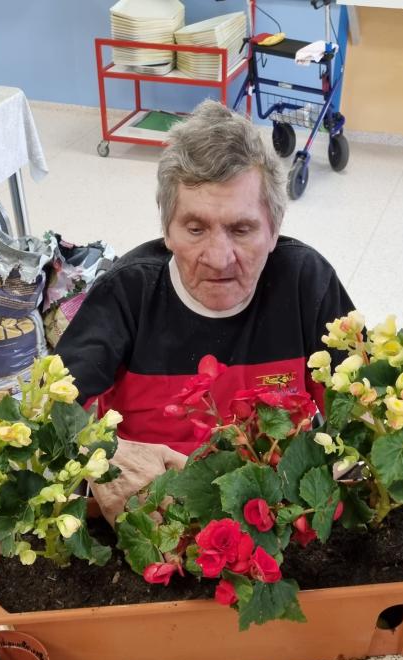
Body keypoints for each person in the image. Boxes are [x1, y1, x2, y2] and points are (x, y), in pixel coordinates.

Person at [57, 100, 353, 524]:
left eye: (241, 229)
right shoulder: (126, 293)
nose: (218, 258)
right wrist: (103, 453)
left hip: (277, 519)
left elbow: (362, 416)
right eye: (195, 229)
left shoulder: (307, 284)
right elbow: (48, 414)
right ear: (167, 231)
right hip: (152, 517)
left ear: (274, 230)